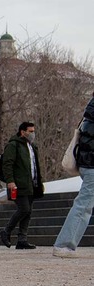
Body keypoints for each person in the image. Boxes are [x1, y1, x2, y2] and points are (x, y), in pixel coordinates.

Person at [53, 94, 94, 258]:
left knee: (84, 205)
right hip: (92, 166)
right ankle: (63, 245)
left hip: (87, 164)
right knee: (83, 206)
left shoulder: (89, 113)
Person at [0, 122, 44, 249]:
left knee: (28, 212)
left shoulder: (32, 147)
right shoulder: (13, 145)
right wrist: (10, 181)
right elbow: (7, 164)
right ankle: (6, 231)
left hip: (31, 184)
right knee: (24, 209)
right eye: (30, 131)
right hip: (18, 184)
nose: (32, 134)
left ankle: (22, 239)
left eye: (33, 131)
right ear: (22, 132)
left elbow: (34, 166)